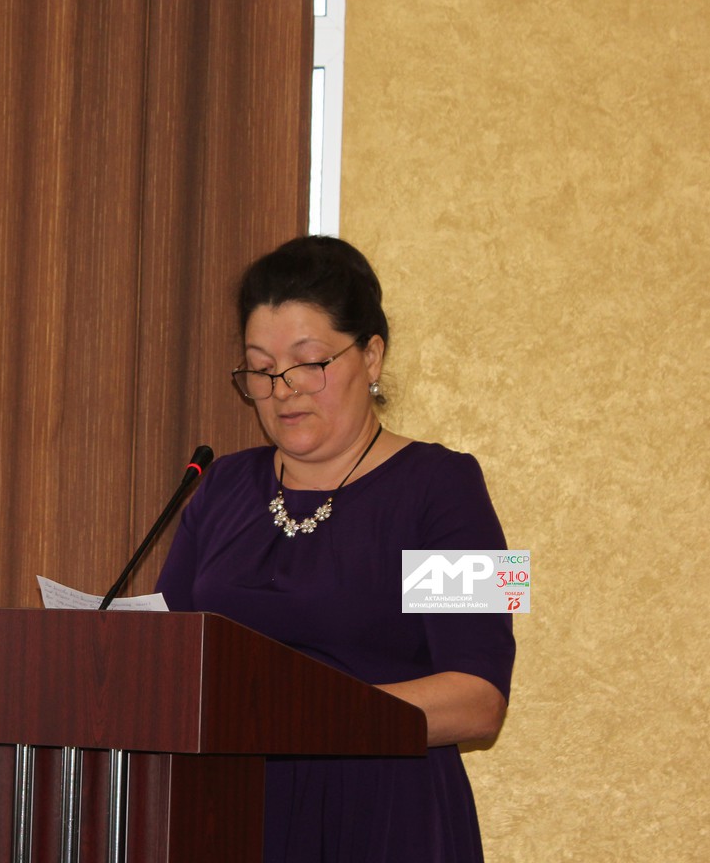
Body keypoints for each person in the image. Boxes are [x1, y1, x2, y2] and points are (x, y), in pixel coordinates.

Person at [155, 235, 515, 862]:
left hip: (384, 817)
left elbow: (479, 698)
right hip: (227, 815)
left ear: (371, 356)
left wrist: (297, 712)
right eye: (261, 369)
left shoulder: (443, 485)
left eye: (308, 363)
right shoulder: (220, 486)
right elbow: (167, 658)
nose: (283, 389)